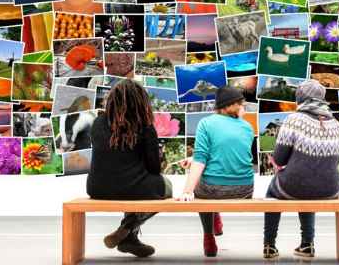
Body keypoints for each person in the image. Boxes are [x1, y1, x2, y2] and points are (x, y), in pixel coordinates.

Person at [75, 79, 171, 258]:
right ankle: (127, 228)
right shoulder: (145, 126)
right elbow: (154, 168)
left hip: (97, 188)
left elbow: (112, 158)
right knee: (166, 187)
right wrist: (159, 157)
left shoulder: (98, 123)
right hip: (134, 186)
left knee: (135, 185)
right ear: (141, 102)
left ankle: (130, 239)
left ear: (112, 100)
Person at [262, 80, 339, 259]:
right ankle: (307, 244)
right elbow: (334, 162)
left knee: (275, 190)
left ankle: (269, 245)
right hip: (330, 190)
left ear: (300, 97)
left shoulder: (294, 120)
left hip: (294, 187)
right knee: (309, 182)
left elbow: (279, 158)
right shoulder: (337, 124)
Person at [177, 86, 257, 257]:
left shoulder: (206, 123)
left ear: (220, 106)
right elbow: (229, 154)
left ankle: (208, 236)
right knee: (207, 175)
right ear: (235, 105)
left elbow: (201, 159)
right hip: (244, 189)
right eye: (241, 103)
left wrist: (187, 191)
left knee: (201, 183)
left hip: (213, 190)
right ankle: (216, 219)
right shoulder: (248, 127)